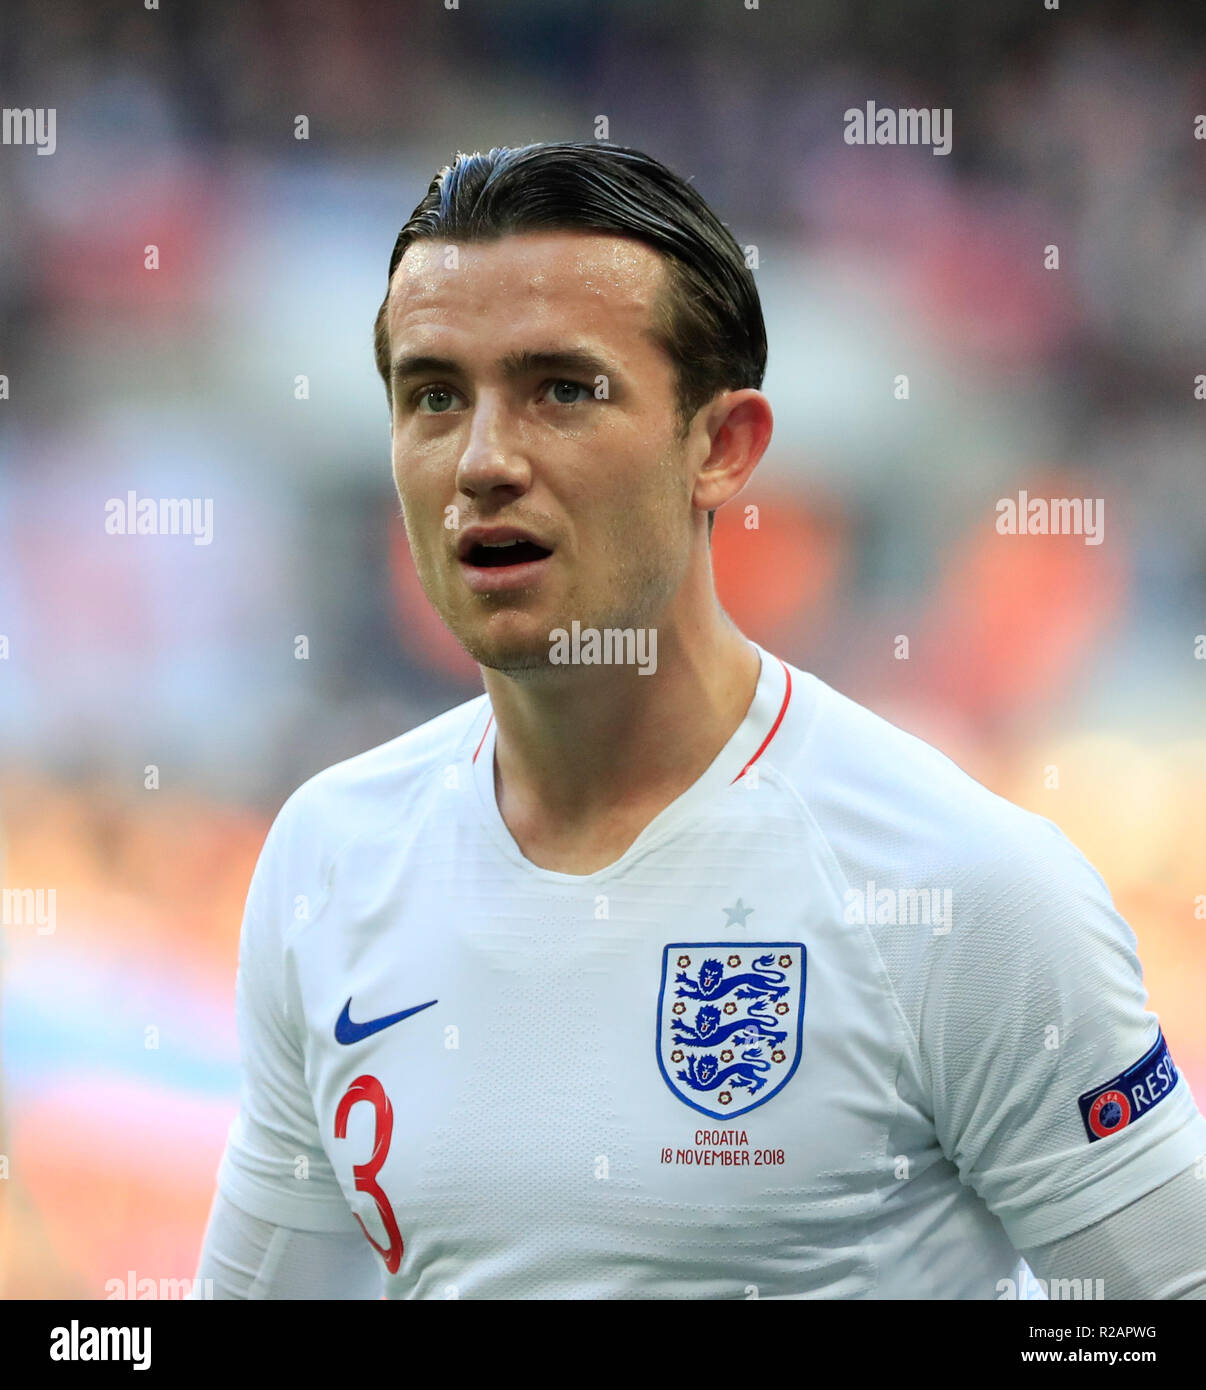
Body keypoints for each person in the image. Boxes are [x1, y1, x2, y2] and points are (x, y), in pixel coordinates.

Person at [191, 141, 1206, 1299]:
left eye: (562, 390)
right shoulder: (332, 854)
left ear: (720, 448)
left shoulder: (961, 885)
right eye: (433, 395)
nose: (482, 460)